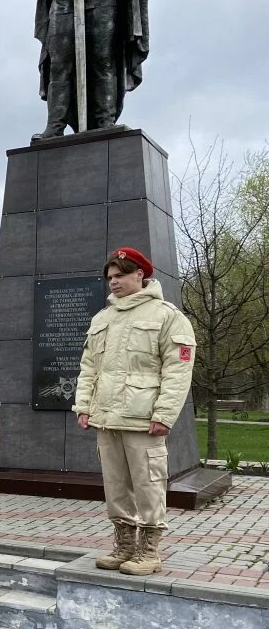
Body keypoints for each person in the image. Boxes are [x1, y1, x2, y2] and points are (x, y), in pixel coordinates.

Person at [74, 247, 195, 576]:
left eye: (120, 275)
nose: (113, 282)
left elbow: (178, 370)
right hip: (106, 419)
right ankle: (125, 543)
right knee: (115, 485)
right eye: (110, 277)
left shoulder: (167, 316)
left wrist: (164, 414)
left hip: (143, 419)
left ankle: (149, 550)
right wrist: (83, 406)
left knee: (148, 483)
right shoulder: (102, 319)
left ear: (140, 274)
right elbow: (89, 369)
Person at [29, 0, 149, 140]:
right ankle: (55, 126)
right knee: (59, 66)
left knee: (103, 61)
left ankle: (105, 121)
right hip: (63, 1)